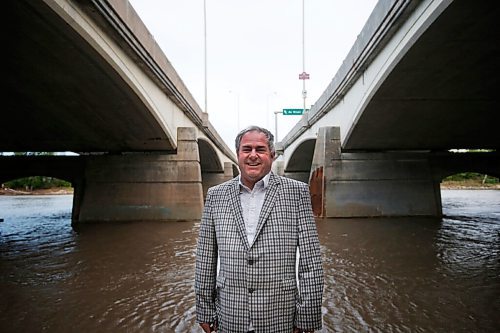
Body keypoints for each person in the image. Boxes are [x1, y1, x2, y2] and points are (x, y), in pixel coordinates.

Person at [195, 126, 324, 333]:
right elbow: (205, 258)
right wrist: (204, 310)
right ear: (237, 155)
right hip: (230, 313)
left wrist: (307, 316)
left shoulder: (297, 193)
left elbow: (311, 261)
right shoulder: (215, 196)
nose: (253, 155)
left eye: (260, 149)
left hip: (280, 314)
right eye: (247, 149)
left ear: (272, 156)